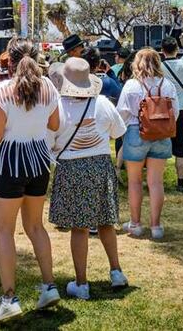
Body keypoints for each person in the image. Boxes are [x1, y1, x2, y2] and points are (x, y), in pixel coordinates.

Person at [0, 38, 61, 324]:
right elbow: (55, 125)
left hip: (11, 162)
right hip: (39, 161)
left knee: (4, 231)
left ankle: (10, 298)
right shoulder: (49, 86)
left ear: (10, 61)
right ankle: (49, 286)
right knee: (36, 226)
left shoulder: (1, 90)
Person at [49, 58, 128, 300]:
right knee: (105, 222)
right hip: (101, 165)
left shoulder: (58, 107)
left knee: (79, 228)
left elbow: (50, 142)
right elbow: (118, 132)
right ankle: (116, 272)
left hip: (71, 167)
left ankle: (81, 283)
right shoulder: (103, 103)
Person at [116, 47, 179, 239]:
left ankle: (135, 223)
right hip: (161, 134)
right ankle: (156, 226)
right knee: (156, 182)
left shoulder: (132, 85)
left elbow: (122, 113)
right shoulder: (167, 84)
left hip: (136, 132)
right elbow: (174, 112)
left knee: (134, 182)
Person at [161, 9, 183, 193]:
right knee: (181, 150)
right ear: (177, 49)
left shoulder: (158, 67)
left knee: (159, 147)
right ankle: (181, 183)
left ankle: (156, 180)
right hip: (182, 110)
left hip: (163, 111)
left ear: (162, 51)